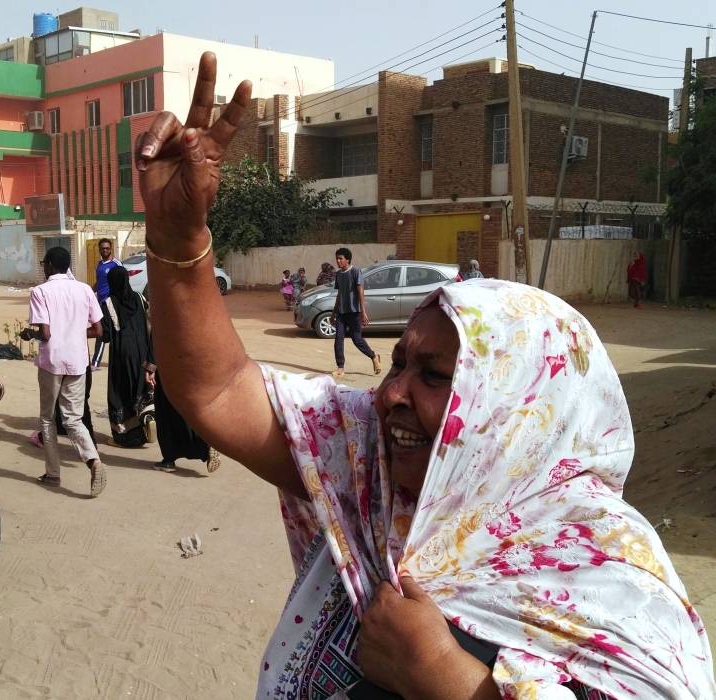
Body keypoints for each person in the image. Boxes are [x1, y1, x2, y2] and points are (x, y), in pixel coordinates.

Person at [135, 52, 715, 699]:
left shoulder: (610, 578)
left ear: (514, 413)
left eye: (435, 375)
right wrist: (178, 239)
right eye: (398, 363)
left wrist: (444, 675)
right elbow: (218, 390)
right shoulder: (373, 465)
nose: (390, 394)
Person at [27, 246, 107, 496]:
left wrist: (30, 334)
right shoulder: (84, 289)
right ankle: (93, 461)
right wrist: (74, 333)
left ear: (50, 265)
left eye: (44, 263)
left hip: (52, 361)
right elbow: (98, 330)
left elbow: (45, 333)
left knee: (47, 418)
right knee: (73, 418)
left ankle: (53, 474)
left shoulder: (40, 291)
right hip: (77, 360)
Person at [144, 340, 219, 474]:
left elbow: (158, 335)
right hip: (188, 361)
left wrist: (151, 366)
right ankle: (203, 447)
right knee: (182, 409)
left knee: (165, 411)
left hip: (168, 362)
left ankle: (169, 459)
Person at [101, 266, 152, 448]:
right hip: (143, 351)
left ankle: (124, 436)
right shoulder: (139, 298)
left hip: (122, 354)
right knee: (139, 390)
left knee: (120, 392)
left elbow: (105, 335)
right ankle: (145, 427)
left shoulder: (109, 303)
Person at [331, 247, 382, 379]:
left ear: (347, 259)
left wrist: (363, 312)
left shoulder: (355, 271)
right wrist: (333, 313)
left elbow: (360, 292)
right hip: (341, 313)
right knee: (338, 340)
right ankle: (340, 368)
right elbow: (339, 294)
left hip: (354, 312)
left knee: (357, 339)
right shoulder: (338, 274)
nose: (338, 261)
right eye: (337, 258)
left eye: (340, 258)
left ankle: (374, 356)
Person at [90, 238, 122, 370]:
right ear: (99, 249)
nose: (105, 250)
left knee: (115, 330)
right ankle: (96, 362)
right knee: (102, 330)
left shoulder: (116, 264)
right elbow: (99, 282)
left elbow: (123, 281)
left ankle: (97, 362)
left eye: (107, 248)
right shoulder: (99, 264)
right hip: (100, 303)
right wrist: (90, 291)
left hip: (111, 303)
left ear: (111, 249)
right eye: (102, 248)